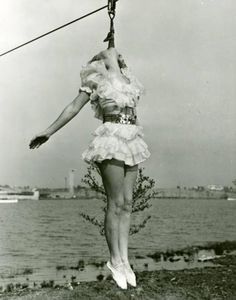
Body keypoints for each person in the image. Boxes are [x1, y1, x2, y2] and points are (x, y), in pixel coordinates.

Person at [29, 47, 150, 289]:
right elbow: (74, 107)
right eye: (110, 53)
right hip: (111, 139)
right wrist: (48, 132)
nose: (116, 53)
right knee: (115, 203)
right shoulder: (97, 78)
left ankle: (125, 260)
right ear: (102, 59)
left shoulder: (129, 79)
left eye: (117, 54)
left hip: (132, 139)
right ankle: (114, 260)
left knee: (127, 203)